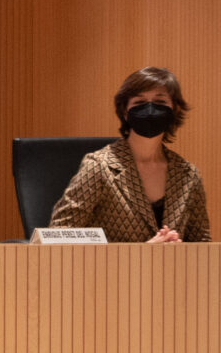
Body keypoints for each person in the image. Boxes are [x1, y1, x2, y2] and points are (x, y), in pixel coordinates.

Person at [50, 67, 210, 242]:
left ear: (174, 110)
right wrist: (143, 253)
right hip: (108, 269)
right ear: (125, 112)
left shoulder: (188, 175)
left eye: (160, 102)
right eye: (140, 103)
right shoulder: (98, 167)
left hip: (172, 270)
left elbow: (202, 245)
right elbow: (58, 236)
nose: (150, 110)